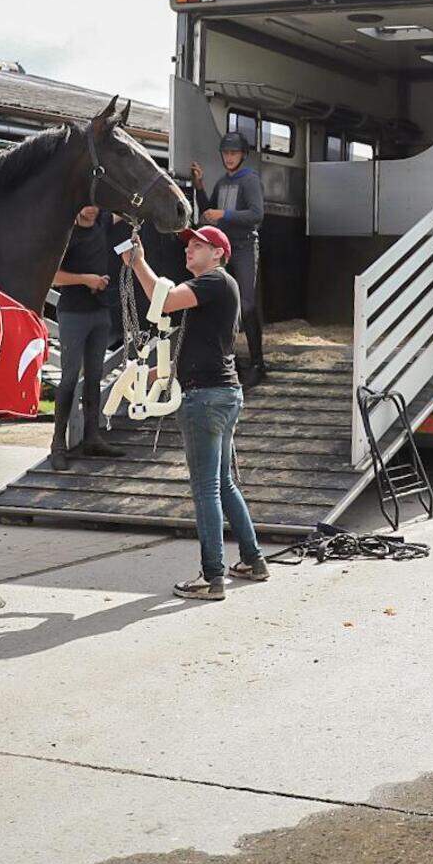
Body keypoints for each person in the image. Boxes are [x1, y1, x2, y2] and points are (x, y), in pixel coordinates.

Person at [122, 223, 269, 601]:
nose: (190, 249)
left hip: (204, 398)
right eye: (189, 245)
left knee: (206, 489)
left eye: (199, 245)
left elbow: (162, 299)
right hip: (223, 393)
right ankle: (252, 560)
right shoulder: (214, 290)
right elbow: (196, 342)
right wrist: (156, 372)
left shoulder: (213, 282)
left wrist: (139, 263)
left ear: (219, 253)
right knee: (222, 483)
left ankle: (212, 577)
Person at [48, 204, 127, 466]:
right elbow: (54, 277)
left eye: (95, 204)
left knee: (95, 376)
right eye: (85, 205)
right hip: (73, 313)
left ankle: (92, 437)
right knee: (70, 377)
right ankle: (57, 444)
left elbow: (126, 207)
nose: (91, 210)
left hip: (100, 311)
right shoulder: (66, 233)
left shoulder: (103, 220)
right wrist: (86, 279)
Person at [189, 131, 266, 387]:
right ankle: (231, 361)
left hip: (244, 246)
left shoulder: (250, 179)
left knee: (247, 304)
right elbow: (209, 211)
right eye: (226, 153)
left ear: (243, 155)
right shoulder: (222, 182)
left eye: (234, 153)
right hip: (223, 248)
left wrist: (225, 214)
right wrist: (199, 185)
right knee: (224, 303)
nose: (229, 157)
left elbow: (256, 214)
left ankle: (258, 363)